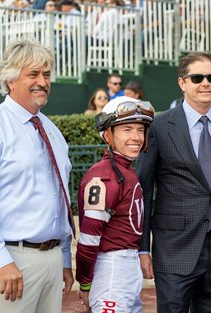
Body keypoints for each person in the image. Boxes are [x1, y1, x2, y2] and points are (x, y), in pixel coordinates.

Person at [136, 51, 211, 313]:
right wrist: (142, 249)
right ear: (182, 83)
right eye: (197, 77)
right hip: (174, 248)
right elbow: (144, 189)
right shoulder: (160, 126)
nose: (206, 83)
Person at [0, 39, 74, 312]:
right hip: (10, 258)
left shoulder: (51, 129)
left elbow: (59, 198)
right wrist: (1, 259)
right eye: (33, 74)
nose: (43, 81)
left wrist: (63, 257)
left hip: (51, 259)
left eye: (47, 74)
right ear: (11, 79)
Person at [76, 96, 155, 313]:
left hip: (127, 268)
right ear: (108, 134)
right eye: (127, 129)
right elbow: (89, 240)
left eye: (140, 130)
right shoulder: (104, 176)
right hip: (111, 269)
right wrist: (85, 283)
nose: (136, 137)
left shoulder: (126, 170)